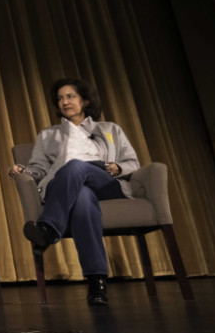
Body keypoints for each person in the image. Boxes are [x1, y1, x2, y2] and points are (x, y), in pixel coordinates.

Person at [10, 77, 139, 306]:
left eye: (70, 96)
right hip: (69, 184)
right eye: (60, 98)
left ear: (85, 101)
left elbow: (133, 163)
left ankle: (48, 228)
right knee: (81, 198)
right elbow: (39, 168)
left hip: (105, 181)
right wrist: (24, 170)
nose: (64, 102)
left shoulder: (110, 129)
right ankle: (97, 282)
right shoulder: (48, 136)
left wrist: (118, 167)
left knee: (76, 165)